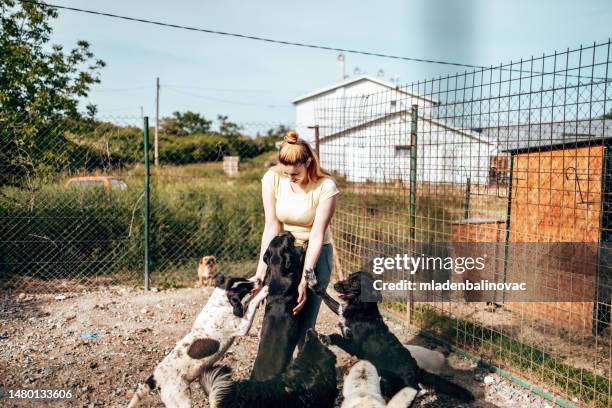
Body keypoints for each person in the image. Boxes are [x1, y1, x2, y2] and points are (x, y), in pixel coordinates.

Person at [254, 130, 339, 347]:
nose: (290, 178)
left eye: (296, 174)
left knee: (304, 324)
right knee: (278, 320)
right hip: (285, 255)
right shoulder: (272, 178)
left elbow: (318, 233)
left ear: (309, 162)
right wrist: (261, 271)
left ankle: (302, 373)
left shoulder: (325, 186)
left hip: (315, 253)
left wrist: (305, 278)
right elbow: (272, 225)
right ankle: (275, 376)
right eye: (286, 173)